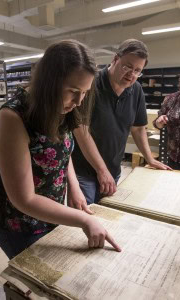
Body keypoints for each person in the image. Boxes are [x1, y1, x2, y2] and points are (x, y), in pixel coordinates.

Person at [0, 40, 121, 260]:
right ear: (49, 82)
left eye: (85, 92)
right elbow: (24, 199)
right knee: (32, 285)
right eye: (73, 91)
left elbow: (61, 151)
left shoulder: (60, 105)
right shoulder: (12, 117)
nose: (78, 101)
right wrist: (85, 220)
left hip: (50, 211)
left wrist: (74, 187)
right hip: (18, 222)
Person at [71, 39, 170, 207]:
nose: (131, 74)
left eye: (138, 70)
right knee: (84, 223)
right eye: (127, 66)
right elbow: (81, 131)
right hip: (84, 172)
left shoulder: (136, 89)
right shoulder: (92, 83)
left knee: (107, 220)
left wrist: (149, 158)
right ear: (115, 59)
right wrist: (101, 171)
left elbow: (138, 128)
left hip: (113, 170)